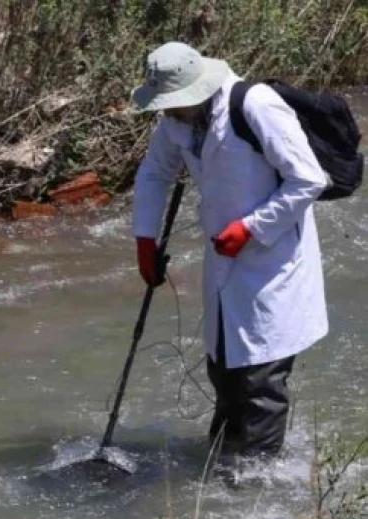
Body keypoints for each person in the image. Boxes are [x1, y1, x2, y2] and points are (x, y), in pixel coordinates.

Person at [128, 42, 330, 466]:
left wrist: (252, 228)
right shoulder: (176, 121)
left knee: (261, 384)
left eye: (171, 104)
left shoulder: (256, 106)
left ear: (195, 91)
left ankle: (252, 487)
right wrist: (145, 239)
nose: (165, 112)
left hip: (274, 260)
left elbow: (309, 178)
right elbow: (153, 173)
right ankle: (222, 466)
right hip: (223, 259)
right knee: (224, 371)